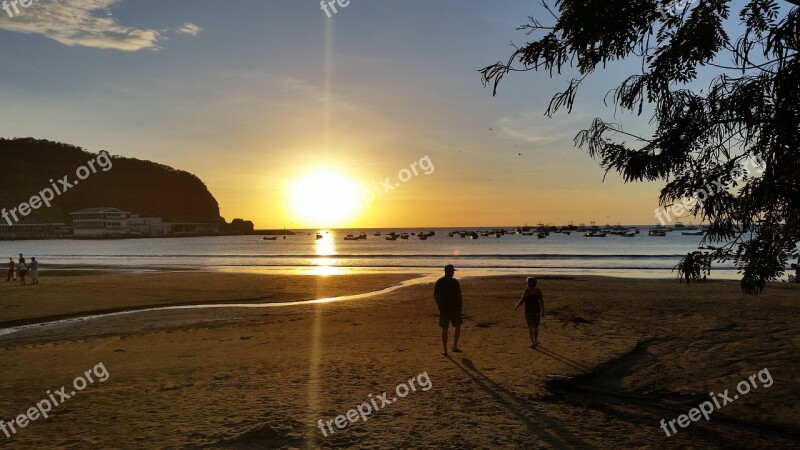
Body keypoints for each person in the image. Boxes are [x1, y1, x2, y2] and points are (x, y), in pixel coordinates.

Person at [434, 264, 463, 356]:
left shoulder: (439, 281)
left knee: (445, 329)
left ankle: (445, 350)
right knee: (457, 326)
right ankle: (454, 346)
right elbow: (459, 295)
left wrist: (439, 304)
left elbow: (435, 295)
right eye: (453, 271)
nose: (454, 272)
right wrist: (460, 306)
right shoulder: (455, 282)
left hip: (444, 308)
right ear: (450, 272)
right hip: (454, 308)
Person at [515, 277, 545, 349]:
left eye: (527, 282)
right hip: (537, 310)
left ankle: (533, 342)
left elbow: (522, 300)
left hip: (528, 311)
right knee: (535, 327)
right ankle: (535, 341)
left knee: (530, 327)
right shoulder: (538, 291)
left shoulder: (527, 291)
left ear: (530, 283)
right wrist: (543, 311)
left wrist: (516, 306)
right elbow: (541, 302)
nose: (527, 284)